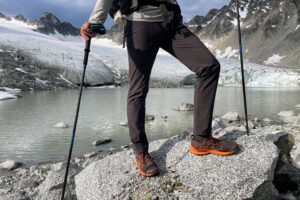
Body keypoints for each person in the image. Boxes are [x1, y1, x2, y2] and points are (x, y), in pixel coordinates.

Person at [81, 0, 239, 177]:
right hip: (140, 23)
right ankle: (140, 151)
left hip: (171, 23)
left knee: (209, 66)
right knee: (138, 89)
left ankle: (201, 139)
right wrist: (96, 21)